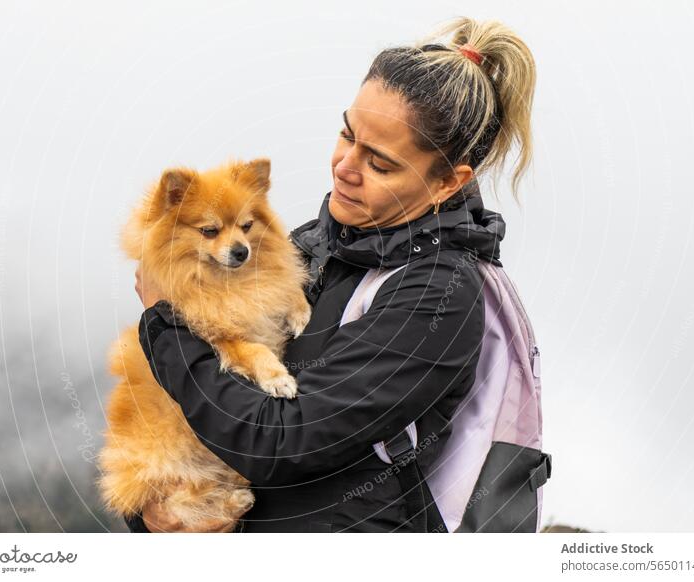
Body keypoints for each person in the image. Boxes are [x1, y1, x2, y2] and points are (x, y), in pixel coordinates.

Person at [125, 15, 535, 533]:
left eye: (380, 164)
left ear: (445, 184)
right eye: (347, 134)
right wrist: (151, 510)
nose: (344, 166)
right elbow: (179, 410)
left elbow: (281, 442)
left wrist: (166, 324)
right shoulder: (305, 248)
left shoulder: (438, 296)